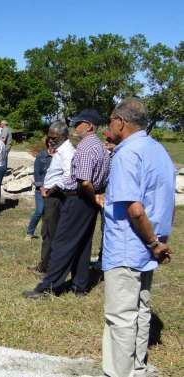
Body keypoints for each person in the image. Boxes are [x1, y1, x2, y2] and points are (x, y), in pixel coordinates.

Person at [101, 98, 174, 377]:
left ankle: (118, 372)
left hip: (128, 246)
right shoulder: (158, 150)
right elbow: (165, 200)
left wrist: (153, 242)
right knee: (141, 311)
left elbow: (134, 207)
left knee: (120, 316)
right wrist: (157, 241)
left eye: (110, 120)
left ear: (120, 121)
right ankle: (136, 367)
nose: (108, 126)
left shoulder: (127, 154)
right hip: (149, 246)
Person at [23, 109, 110, 298]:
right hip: (88, 201)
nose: (75, 127)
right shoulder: (101, 147)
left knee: (63, 242)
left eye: (79, 123)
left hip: (78, 197)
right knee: (83, 242)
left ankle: (48, 287)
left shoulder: (87, 147)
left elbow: (84, 181)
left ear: (90, 126)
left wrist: (92, 194)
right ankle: (80, 285)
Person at [34, 121, 76, 273]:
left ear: (64, 136)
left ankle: (49, 267)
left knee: (51, 233)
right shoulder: (60, 150)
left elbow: (69, 176)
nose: (50, 140)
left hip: (56, 197)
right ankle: (45, 264)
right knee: (47, 232)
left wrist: (52, 189)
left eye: (54, 137)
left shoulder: (67, 152)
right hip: (51, 196)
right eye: (49, 136)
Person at [25, 138, 53, 240]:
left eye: (54, 142)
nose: (52, 144)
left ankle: (48, 234)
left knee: (51, 213)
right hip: (41, 188)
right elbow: (37, 172)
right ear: (47, 143)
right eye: (50, 142)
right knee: (39, 211)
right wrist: (41, 187)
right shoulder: (41, 155)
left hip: (54, 189)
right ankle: (30, 232)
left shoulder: (59, 156)